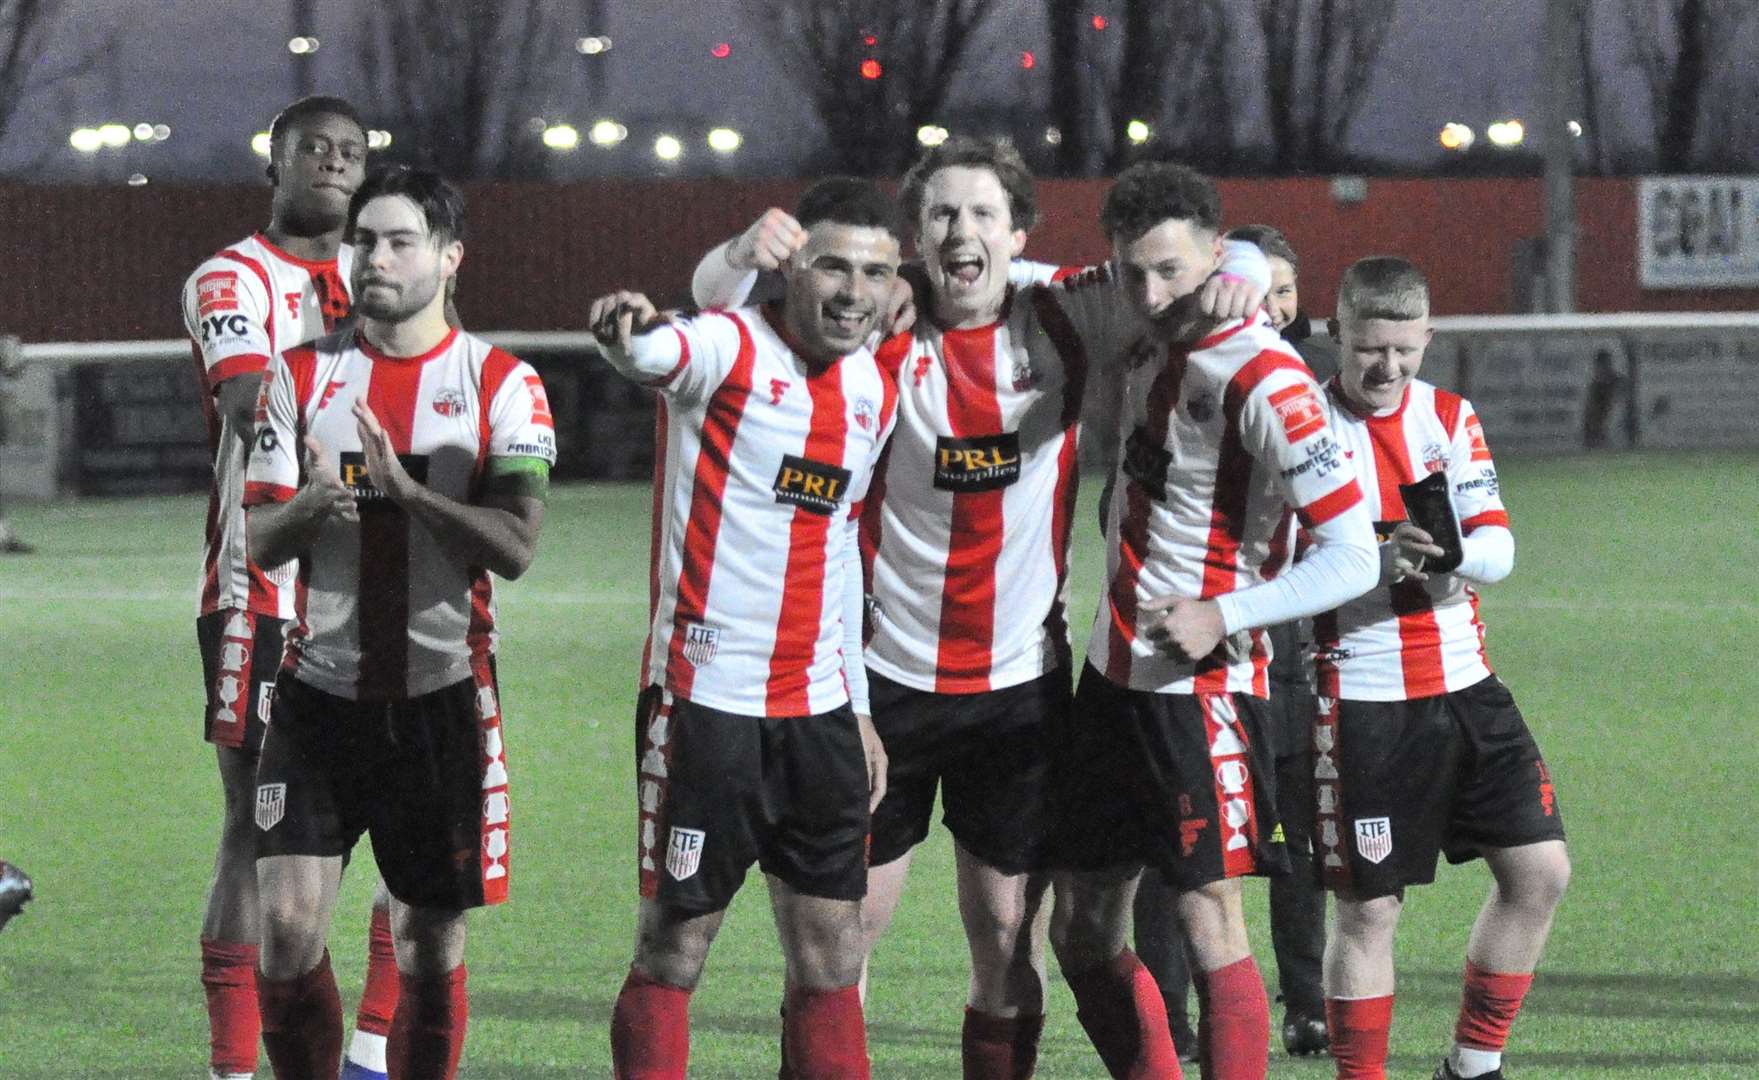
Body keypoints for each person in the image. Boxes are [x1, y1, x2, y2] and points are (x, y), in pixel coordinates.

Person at [688, 138, 1268, 1079]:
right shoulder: (872, 314)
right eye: (943, 216)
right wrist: (735, 252)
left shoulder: (1067, 311)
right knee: (841, 942)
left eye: (983, 214)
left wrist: (1240, 262)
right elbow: (715, 299)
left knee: (1006, 936)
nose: (963, 231)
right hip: (879, 687)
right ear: (916, 236)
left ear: (1018, 233)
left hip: (1016, 693)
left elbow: (1191, 267)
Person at [1045, 160, 1379, 1080]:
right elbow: (1031, 277)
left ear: (1209, 262)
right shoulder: (1146, 327)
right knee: (1079, 926)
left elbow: (1353, 552)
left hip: (1205, 688)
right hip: (1111, 680)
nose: (1150, 293)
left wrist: (1225, 612)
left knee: (1208, 918)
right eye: (1133, 271)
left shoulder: (1267, 376)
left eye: (1172, 272)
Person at [243, 165, 554, 1080]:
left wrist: (408, 493)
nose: (373, 257)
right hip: (317, 697)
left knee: (426, 943)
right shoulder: (298, 374)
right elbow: (260, 537)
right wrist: (310, 505)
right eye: (363, 239)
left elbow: (515, 545)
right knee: (290, 927)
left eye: (399, 240)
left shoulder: (502, 383)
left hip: (441, 701)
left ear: (450, 258)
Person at [599, 177, 903, 1080]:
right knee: (675, 950)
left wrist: (855, 700)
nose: (854, 292)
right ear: (791, 268)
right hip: (706, 702)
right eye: (833, 267)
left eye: (876, 273)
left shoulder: (870, 391)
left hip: (817, 709)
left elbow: (841, 542)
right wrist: (626, 326)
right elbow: (649, 347)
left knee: (833, 955)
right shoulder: (726, 345)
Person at [178, 94, 404, 1080]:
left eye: (349, 151)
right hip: (260, 592)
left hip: (388, 598)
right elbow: (243, 405)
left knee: (406, 819)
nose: (331, 161)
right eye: (312, 148)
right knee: (257, 828)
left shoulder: (394, 268)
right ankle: (235, 1069)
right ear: (275, 162)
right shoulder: (231, 277)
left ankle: (366, 1055)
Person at [1309, 257, 1569, 1080]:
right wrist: (1372, 563)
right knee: (1369, 911)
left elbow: (1497, 538)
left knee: (1538, 874)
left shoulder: (1448, 418)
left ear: (1427, 338)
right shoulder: (1300, 429)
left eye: (1404, 350)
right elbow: (1271, 563)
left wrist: (1453, 558)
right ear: (1334, 335)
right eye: (1367, 349)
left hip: (1464, 686)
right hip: (1358, 697)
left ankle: (1471, 1067)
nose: (1386, 368)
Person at [1131, 222, 1335, 1059]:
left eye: (1286, 290)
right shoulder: (1185, 368)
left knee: (1290, 845)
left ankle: (1306, 999)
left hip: (1283, 658)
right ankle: (1168, 1016)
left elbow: (1346, 539)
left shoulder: (1297, 390)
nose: (1272, 301)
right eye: (1262, 284)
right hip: (1201, 655)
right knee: (1177, 853)